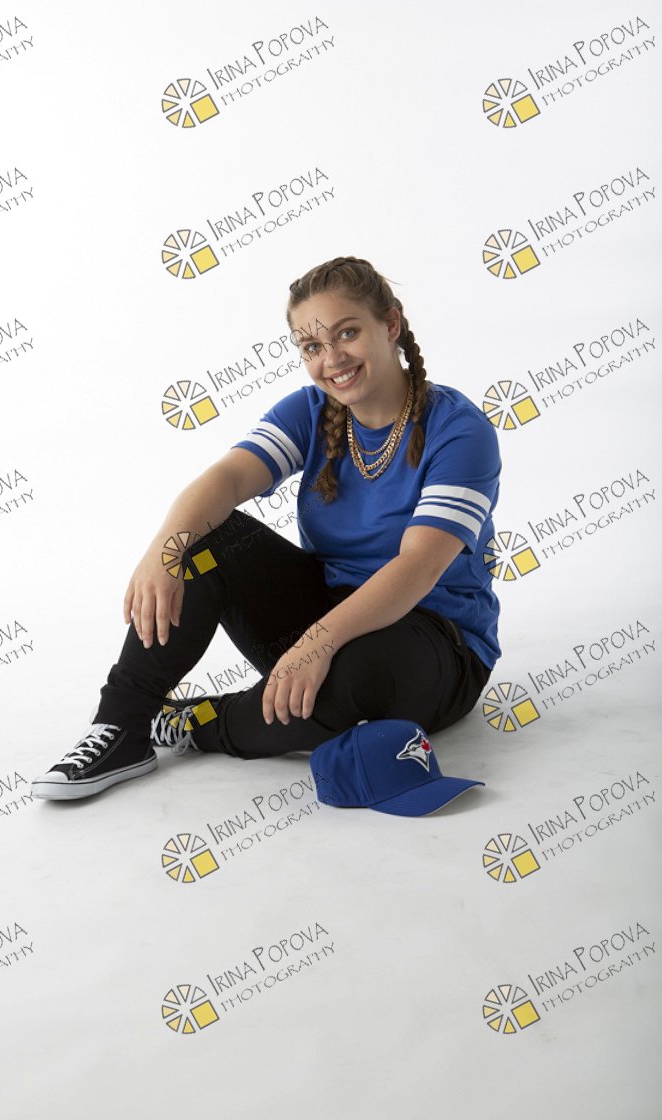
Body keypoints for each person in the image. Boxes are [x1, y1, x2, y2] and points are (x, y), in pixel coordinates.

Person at [31, 256, 501, 800]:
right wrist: (164, 551)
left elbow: (418, 566)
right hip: (326, 617)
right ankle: (121, 725)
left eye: (347, 333)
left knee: (351, 680)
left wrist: (318, 643)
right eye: (312, 346)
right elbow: (228, 478)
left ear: (390, 324)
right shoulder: (314, 411)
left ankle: (196, 722)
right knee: (204, 541)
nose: (332, 359)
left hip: (435, 641)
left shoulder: (459, 430)